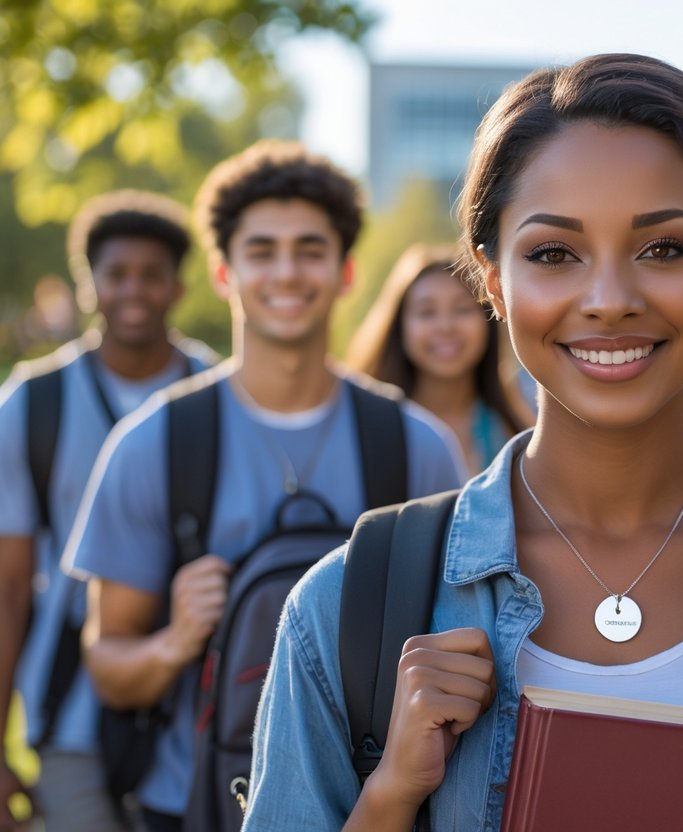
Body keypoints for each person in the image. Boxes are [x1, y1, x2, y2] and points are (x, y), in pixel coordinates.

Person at [242, 54, 683, 831]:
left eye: (662, 249)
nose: (611, 300)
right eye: (553, 254)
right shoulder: (347, 607)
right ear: (492, 281)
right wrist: (388, 796)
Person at [61, 141, 466, 831]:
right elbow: (108, 664)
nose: (286, 271)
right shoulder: (152, 444)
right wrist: (175, 639)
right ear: (224, 271)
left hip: (369, 807)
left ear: (343, 272)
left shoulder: (415, 445)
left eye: (310, 250)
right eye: (262, 250)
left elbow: (457, 652)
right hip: (188, 805)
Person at [0, 190, 216, 831]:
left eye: (153, 275)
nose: (134, 291)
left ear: (179, 287)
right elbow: (9, 589)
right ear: (87, 283)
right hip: (69, 714)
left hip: (197, 712)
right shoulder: (32, 406)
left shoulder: (219, 397)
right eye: (116, 274)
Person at [345, 243, 533, 474]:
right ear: (399, 326)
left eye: (463, 309)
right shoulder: (362, 427)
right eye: (427, 312)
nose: (445, 327)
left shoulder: (521, 435)